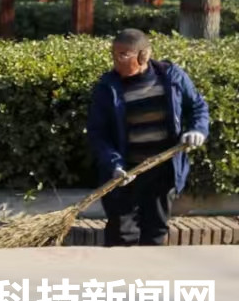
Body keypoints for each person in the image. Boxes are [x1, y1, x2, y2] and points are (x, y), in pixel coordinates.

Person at [87, 29, 209, 247]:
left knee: (155, 231)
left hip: (162, 171)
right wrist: (114, 164)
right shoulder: (107, 87)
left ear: (143, 55)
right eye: (114, 54)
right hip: (124, 173)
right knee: (121, 234)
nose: (116, 60)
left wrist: (197, 130)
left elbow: (197, 107)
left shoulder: (172, 77)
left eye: (123, 55)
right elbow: (98, 132)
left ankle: (149, 268)